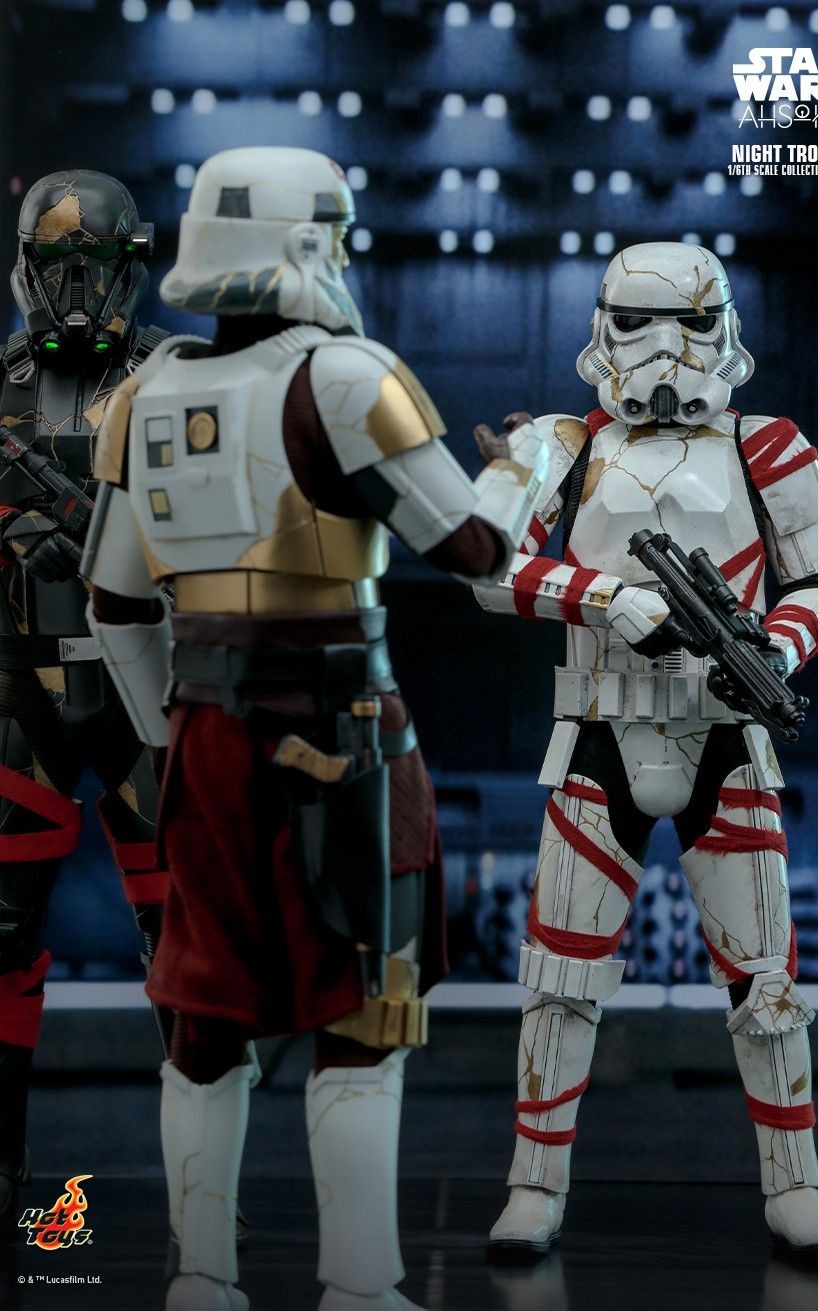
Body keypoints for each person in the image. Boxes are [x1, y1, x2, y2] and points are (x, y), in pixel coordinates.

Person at [81, 146, 548, 1311]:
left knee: (203, 1014)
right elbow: (478, 554)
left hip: (203, 733)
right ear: (306, 245)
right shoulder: (345, 378)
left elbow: (114, 606)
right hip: (343, 730)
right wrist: (529, 470)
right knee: (364, 1009)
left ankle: (201, 1276)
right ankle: (357, 1285)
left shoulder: (144, 392)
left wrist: (169, 743)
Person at [474, 242, 818, 1262]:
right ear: (605, 326)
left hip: (727, 734)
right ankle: (535, 1183)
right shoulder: (560, 443)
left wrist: (776, 648)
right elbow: (485, 565)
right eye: (640, 323)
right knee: (561, 976)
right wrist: (607, 598)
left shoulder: (770, 446)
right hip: (598, 730)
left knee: (766, 980)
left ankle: (796, 1182)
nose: (666, 349)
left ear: (724, 328)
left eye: (690, 324)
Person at [0, 171, 169, 1226]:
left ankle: (207, 1183)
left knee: (187, 939)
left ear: (128, 266)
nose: (74, 287)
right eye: (57, 264)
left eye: (93, 263)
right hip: (23, 686)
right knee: (1, 933)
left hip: (149, 688)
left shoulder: (179, 380)